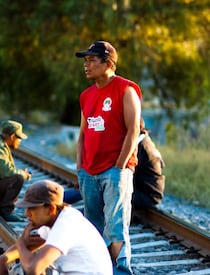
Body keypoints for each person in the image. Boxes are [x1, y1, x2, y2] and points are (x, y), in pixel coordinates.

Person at [75, 41, 142, 274]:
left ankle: (122, 271)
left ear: (109, 63)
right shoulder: (86, 96)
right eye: (86, 61)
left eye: (92, 60)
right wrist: (80, 167)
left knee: (115, 228)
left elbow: (133, 131)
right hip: (89, 171)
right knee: (93, 229)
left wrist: (119, 167)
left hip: (115, 171)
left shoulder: (126, 90)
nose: (87, 65)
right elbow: (83, 133)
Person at [0, 180, 113, 275]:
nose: (26, 214)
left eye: (32, 209)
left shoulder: (66, 225)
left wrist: (21, 243)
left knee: (27, 267)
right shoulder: (54, 221)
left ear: (51, 209)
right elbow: (32, 244)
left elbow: (33, 268)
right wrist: (3, 259)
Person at [132, 118, 165, 209]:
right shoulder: (144, 141)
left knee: (115, 192)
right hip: (146, 191)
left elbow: (129, 171)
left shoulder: (142, 146)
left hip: (149, 195)